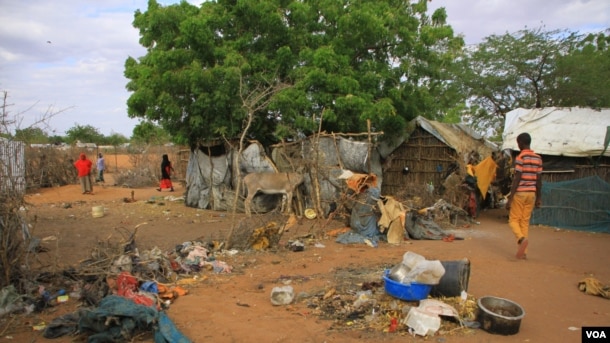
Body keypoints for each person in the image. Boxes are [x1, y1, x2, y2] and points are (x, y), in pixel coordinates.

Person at [505, 132, 543, 260]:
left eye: (518, 143)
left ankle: (521, 239)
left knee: (513, 220)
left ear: (521, 143)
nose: (518, 145)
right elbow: (539, 180)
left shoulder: (521, 157)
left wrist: (510, 198)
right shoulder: (538, 158)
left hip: (520, 193)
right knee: (524, 222)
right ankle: (524, 252)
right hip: (531, 194)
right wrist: (538, 197)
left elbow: (517, 178)